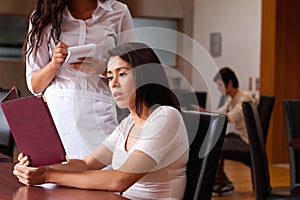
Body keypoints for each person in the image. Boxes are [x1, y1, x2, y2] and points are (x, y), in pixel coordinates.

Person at [14, 42, 190, 200]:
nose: (113, 84)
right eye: (110, 76)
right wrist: (40, 167)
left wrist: (46, 176)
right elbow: (86, 164)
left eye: (122, 74)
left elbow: (120, 179)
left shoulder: (165, 117)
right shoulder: (129, 123)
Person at [24, 0, 135, 158]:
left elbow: (132, 72)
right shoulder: (43, 15)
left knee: (101, 176)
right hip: (56, 116)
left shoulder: (118, 12)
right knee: (52, 177)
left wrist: (103, 69)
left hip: (99, 114)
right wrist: (54, 64)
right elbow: (35, 86)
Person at [210, 67, 255, 195]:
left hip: (246, 141)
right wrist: (204, 112)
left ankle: (222, 183)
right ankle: (221, 181)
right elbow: (220, 113)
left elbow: (231, 117)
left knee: (214, 145)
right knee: (213, 142)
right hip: (238, 137)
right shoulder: (232, 98)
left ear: (229, 83)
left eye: (220, 85)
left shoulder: (245, 98)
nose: (219, 89)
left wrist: (206, 114)